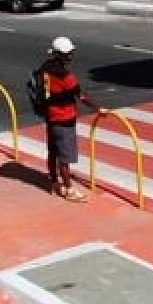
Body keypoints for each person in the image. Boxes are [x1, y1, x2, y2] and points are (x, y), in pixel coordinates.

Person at [37, 36, 105, 202]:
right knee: (65, 157)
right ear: (58, 54)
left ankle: (54, 181)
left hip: (50, 116)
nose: (70, 56)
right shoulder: (65, 76)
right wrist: (98, 108)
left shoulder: (44, 68)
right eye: (67, 54)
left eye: (70, 53)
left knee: (53, 151)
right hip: (64, 119)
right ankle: (69, 190)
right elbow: (81, 96)